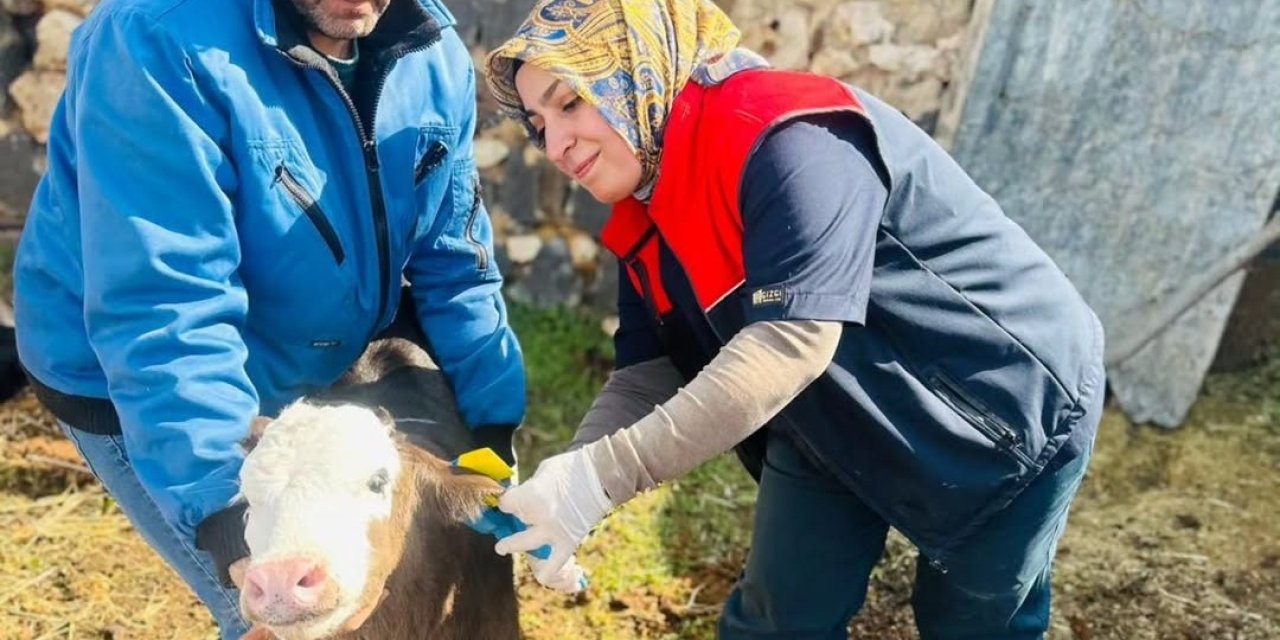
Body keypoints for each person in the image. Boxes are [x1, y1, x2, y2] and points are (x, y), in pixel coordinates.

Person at [482, 1, 1107, 638]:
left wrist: (600, 480)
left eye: (570, 103)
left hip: (993, 403)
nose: (554, 146)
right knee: (776, 623)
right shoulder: (647, 212)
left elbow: (791, 343)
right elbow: (649, 373)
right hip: (829, 414)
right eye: (538, 125)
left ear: (637, 69)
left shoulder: (785, 133)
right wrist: (566, 487)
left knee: (972, 622)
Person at [12, 0, 529, 637]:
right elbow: (166, 312)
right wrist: (233, 521)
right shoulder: (155, 42)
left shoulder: (429, 50)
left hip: (319, 348)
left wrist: (492, 435)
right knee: (282, 602)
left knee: (364, 595)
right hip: (141, 378)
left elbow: (456, 267)